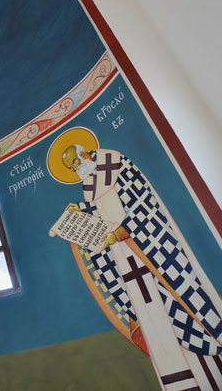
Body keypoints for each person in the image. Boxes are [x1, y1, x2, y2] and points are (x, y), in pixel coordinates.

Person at [56, 144, 222, 389]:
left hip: (155, 254)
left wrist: (119, 233)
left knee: (181, 307)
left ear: (85, 154)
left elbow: (143, 205)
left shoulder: (116, 164)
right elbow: (104, 212)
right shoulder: (90, 182)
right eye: (69, 167)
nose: (74, 169)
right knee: (155, 321)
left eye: (74, 162)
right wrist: (80, 210)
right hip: (127, 263)